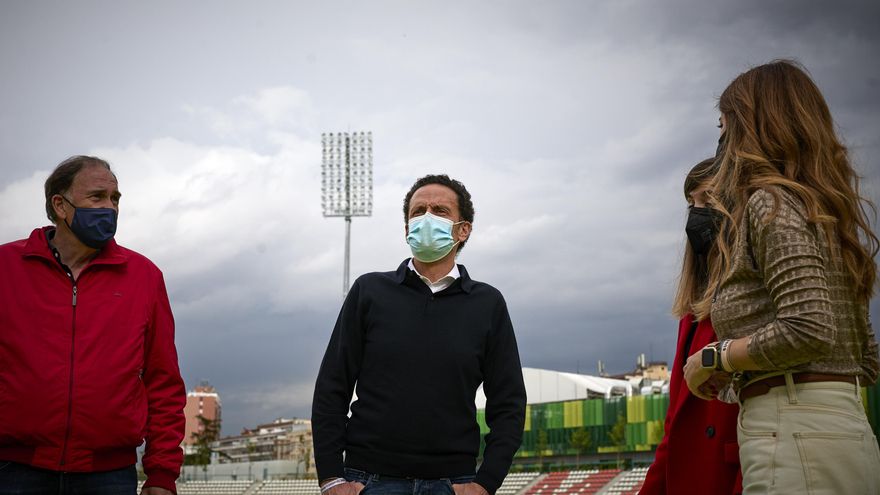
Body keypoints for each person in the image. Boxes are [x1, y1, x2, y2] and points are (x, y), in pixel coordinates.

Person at [683, 60, 880, 494]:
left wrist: (714, 359)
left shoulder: (767, 203)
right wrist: (744, 380)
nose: (721, 140)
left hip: (792, 437)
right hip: (845, 429)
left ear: (754, 126)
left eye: (724, 125)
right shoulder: (826, 214)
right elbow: (863, 360)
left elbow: (807, 328)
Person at [311, 174, 526, 495]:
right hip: (368, 480)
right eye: (418, 211)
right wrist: (331, 477)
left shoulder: (488, 303)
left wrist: (486, 483)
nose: (426, 217)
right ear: (406, 228)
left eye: (439, 211)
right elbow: (332, 386)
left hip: (454, 483)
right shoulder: (369, 291)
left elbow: (508, 402)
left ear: (463, 229)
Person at [0, 156, 186, 495]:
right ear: (60, 205)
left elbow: (164, 382)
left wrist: (162, 475)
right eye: (97, 197)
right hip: (14, 470)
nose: (110, 208)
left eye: (115, 199)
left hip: (109, 476)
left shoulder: (145, 277)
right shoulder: (5, 268)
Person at [641, 158, 742, 495]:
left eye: (708, 199)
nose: (697, 214)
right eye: (692, 204)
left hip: (737, 473)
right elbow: (675, 425)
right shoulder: (693, 310)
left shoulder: (747, 295)